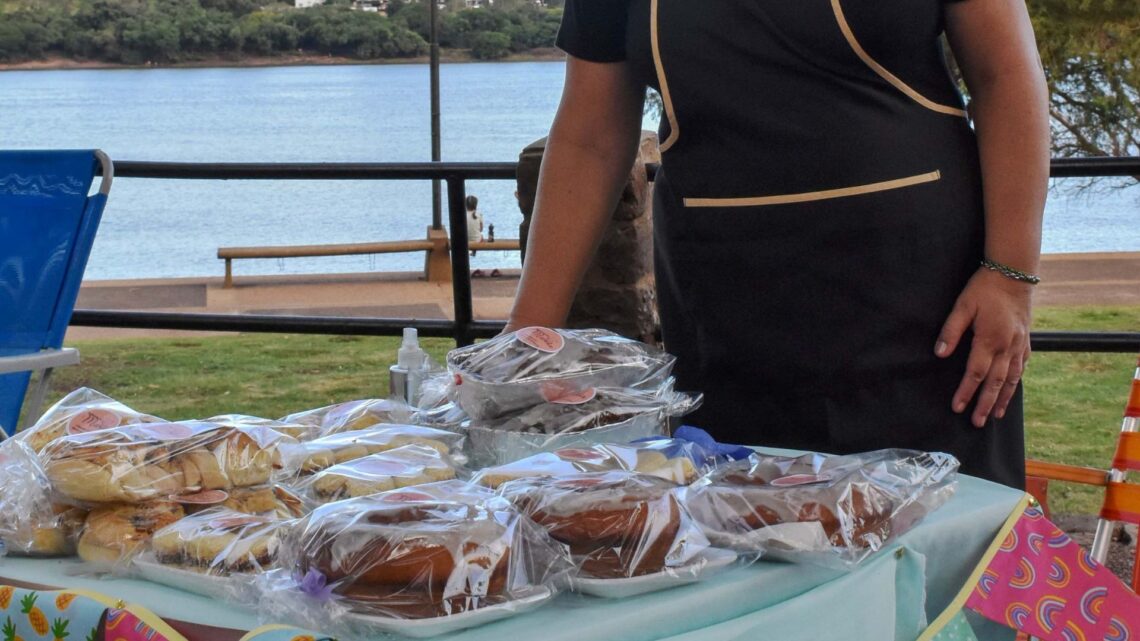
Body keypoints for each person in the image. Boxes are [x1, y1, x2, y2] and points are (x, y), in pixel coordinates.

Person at [505, 0, 1049, 488]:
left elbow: (1006, 76)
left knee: (942, 558)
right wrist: (525, 336)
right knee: (745, 550)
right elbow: (589, 134)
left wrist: (1009, 275)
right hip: (725, 320)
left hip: (928, 315)